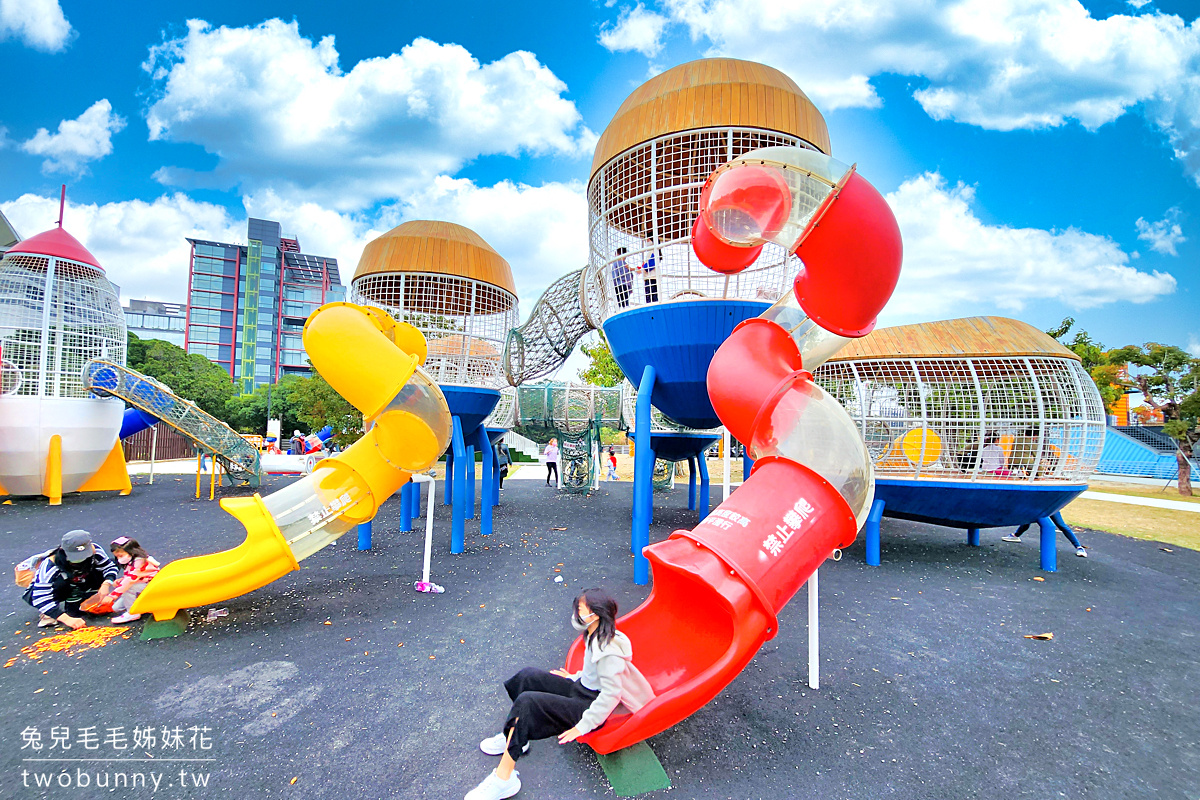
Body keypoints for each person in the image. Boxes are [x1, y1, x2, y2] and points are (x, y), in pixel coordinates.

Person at [466, 588, 655, 800]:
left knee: (528, 703)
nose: (576, 615)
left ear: (595, 615)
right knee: (527, 677)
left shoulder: (609, 651)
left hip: (590, 707)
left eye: (580, 611)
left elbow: (611, 694)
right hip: (583, 690)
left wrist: (582, 726)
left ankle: (504, 779)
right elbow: (595, 672)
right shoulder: (594, 633)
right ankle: (516, 736)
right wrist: (574, 677)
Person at [23, 530, 121, 629]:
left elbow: (109, 567)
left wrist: (106, 584)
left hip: (80, 582)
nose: (81, 559)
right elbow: (40, 597)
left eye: (85, 555)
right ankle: (49, 611)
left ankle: (84, 595)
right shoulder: (50, 565)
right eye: (76, 558)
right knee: (60, 588)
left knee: (77, 611)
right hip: (56, 589)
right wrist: (66, 619)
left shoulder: (95, 551)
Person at [107, 536, 161, 623]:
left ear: (131, 552)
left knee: (128, 588)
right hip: (144, 582)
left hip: (152, 585)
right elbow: (131, 576)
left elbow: (130, 579)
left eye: (120, 556)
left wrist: (113, 595)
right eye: (117, 557)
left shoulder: (140, 562)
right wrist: (122, 580)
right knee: (116, 608)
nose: (119, 559)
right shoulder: (132, 561)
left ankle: (132, 613)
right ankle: (140, 605)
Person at [1002, 511, 1087, 557]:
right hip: (1036, 507)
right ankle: (1016, 536)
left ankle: (1079, 547)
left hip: (1051, 507)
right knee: (1026, 521)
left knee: (1061, 525)